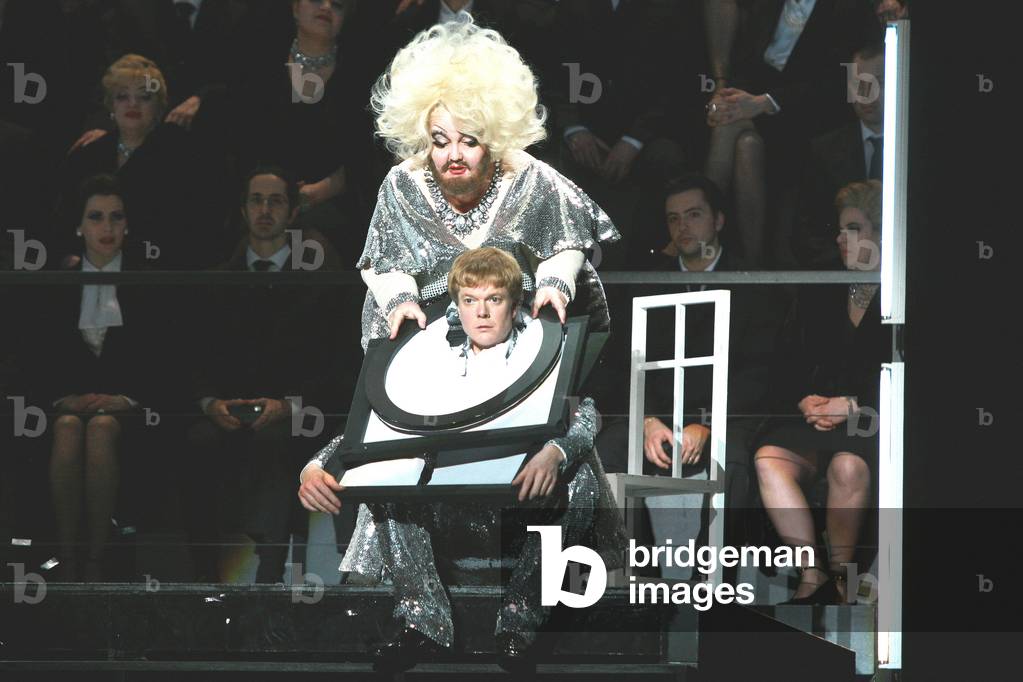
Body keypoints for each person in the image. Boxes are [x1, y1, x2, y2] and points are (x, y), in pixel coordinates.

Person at [298, 248, 625, 672]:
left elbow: (585, 413)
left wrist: (554, 452)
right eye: (470, 300)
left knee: (578, 475)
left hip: (518, 501)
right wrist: (315, 466)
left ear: (514, 302)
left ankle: (519, 624)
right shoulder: (431, 356)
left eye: (494, 299)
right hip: (449, 504)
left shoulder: (543, 347)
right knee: (390, 482)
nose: (482, 312)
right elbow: (377, 428)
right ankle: (423, 622)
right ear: (457, 306)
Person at [355, 19, 620, 353]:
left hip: (524, 341)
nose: (453, 155)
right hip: (429, 348)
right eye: (439, 141)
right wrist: (399, 301)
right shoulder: (404, 184)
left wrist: (556, 284)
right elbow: (383, 264)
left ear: (494, 139)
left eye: (469, 141)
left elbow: (565, 244)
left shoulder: (528, 176)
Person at [596, 175, 785, 578]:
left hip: (725, 414)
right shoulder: (648, 281)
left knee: (732, 461)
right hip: (657, 415)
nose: (683, 227)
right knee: (605, 452)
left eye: (694, 215)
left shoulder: (752, 282)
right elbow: (621, 363)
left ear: (718, 220)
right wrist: (646, 419)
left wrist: (709, 422)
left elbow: (760, 371)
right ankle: (637, 579)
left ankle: (709, 583)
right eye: (674, 218)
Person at [179, 166, 349, 583]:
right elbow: (193, 356)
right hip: (227, 410)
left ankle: (269, 573)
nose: (265, 210)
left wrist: (288, 404)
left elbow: (334, 360)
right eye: (256, 200)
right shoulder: (217, 280)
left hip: (293, 411)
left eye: (275, 201)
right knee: (194, 444)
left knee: (278, 439)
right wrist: (209, 403)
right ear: (242, 210)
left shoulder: (317, 280)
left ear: (292, 213)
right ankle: (202, 580)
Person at [753, 180, 887, 604]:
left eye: (851, 228)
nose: (839, 238)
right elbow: (788, 358)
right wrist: (803, 399)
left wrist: (852, 405)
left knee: (848, 468)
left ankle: (844, 581)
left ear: (879, 234)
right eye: (840, 228)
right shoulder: (823, 283)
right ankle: (812, 573)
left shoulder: (903, 292)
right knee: (769, 459)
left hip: (872, 421)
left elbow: (911, 374)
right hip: (814, 419)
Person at [31, 175, 153, 582]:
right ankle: (67, 558)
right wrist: (61, 400)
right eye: (96, 217)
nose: (107, 228)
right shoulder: (55, 283)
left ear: (128, 225)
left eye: (116, 217)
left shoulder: (145, 280)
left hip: (132, 416)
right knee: (67, 426)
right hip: (66, 409)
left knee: (100, 428)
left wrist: (127, 400)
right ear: (79, 226)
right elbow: (35, 358)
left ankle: (97, 562)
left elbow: (163, 358)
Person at [701, 0, 876, 266]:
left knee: (733, 130)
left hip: (807, 114)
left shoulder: (846, 8)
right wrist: (731, 99)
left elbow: (834, 84)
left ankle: (701, 226)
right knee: (742, 140)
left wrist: (765, 102)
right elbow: (749, 60)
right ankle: (750, 261)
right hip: (760, 104)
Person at [230, 0, 376, 260]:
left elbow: (364, 154)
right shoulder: (261, 69)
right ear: (296, 9)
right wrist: (277, 196)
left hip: (332, 204)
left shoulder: (359, 78)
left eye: (338, 6)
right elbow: (243, 142)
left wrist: (317, 193)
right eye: (317, 1)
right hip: (264, 199)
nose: (327, 8)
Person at [55, 54, 231, 269]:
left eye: (144, 97)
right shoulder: (88, 155)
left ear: (159, 107)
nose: (133, 104)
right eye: (122, 96)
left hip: (158, 275)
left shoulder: (182, 155)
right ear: (110, 105)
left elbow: (195, 227)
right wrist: (70, 257)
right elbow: (64, 220)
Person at [791, 42, 885, 268]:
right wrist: (850, 261)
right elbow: (807, 231)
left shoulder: (915, 151)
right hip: (839, 277)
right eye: (858, 84)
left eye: (878, 83)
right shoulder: (823, 150)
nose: (866, 94)